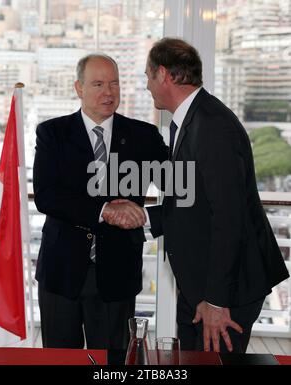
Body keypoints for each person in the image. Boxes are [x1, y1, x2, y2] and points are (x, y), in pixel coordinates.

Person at [104, 38, 289, 353]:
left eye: (148, 76)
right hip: (202, 288)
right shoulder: (191, 120)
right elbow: (193, 203)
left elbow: (230, 218)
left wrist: (216, 300)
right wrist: (143, 215)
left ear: (164, 74)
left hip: (224, 294)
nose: (147, 86)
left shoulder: (212, 126)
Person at [33, 53, 168, 349]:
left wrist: (149, 216)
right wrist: (104, 210)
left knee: (113, 364)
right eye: (98, 84)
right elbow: (46, 195)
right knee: (59, 359)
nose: (109, 92)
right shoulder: (52, 133)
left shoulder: (143, 135)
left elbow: (179, 187)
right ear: (78, 88)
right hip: (61, 270)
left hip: (117, 271)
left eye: (114, 83)